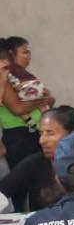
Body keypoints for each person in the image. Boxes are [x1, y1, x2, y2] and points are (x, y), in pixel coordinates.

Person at [0, 106, 74, 212]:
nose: (42, 140)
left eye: (50, 133)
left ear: (72, 135)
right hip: (42, 221)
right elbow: (3, 190)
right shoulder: (34, 163)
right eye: (41, 133)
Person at [0, 37, 54, 168]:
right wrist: (41, 100)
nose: (28, 56)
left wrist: (44, 99)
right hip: (20, 134)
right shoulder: (4, 78)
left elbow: (45, 98)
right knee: (28, 173)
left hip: (33, 130)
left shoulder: (18, 75)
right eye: (24, 52)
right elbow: (17, 109)